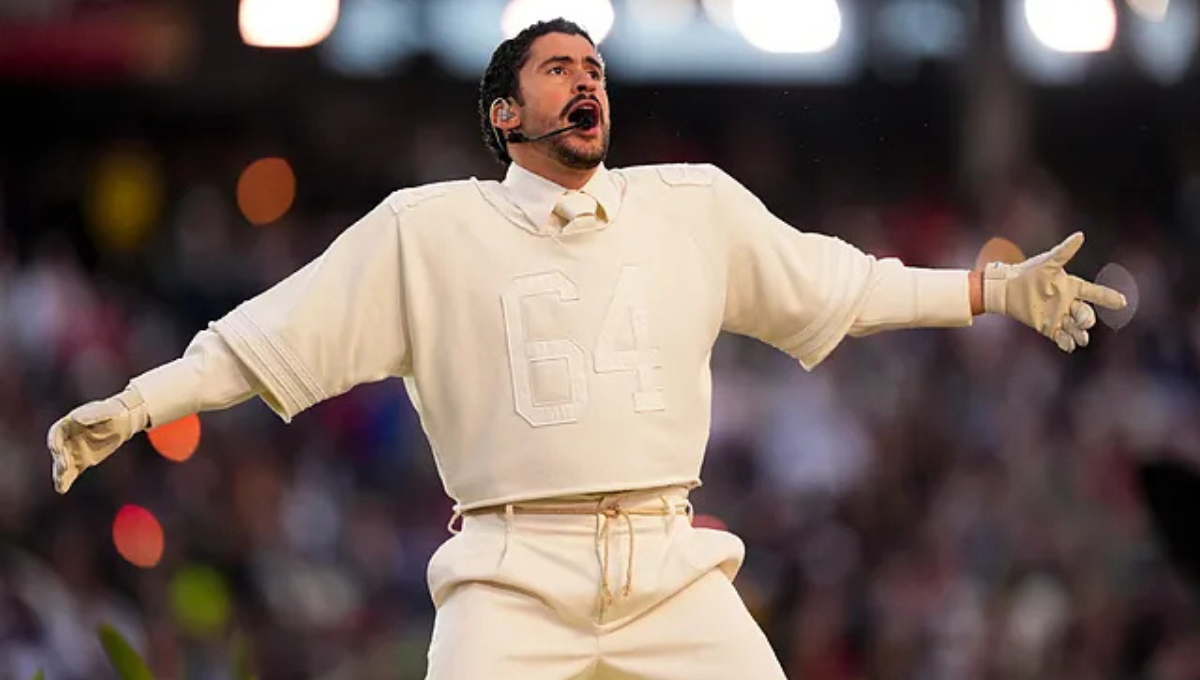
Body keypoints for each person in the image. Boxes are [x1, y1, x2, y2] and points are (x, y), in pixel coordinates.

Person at [46, 18, 1126, 680]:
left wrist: (992, 287)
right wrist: (145, 398)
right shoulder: (425, 226)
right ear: (506, 112)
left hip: (669, 560)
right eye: (559, 67)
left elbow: (845, 282)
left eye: (596, 66)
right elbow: (269, 330)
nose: (586, 80)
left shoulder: (692, 204)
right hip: (510, 575)